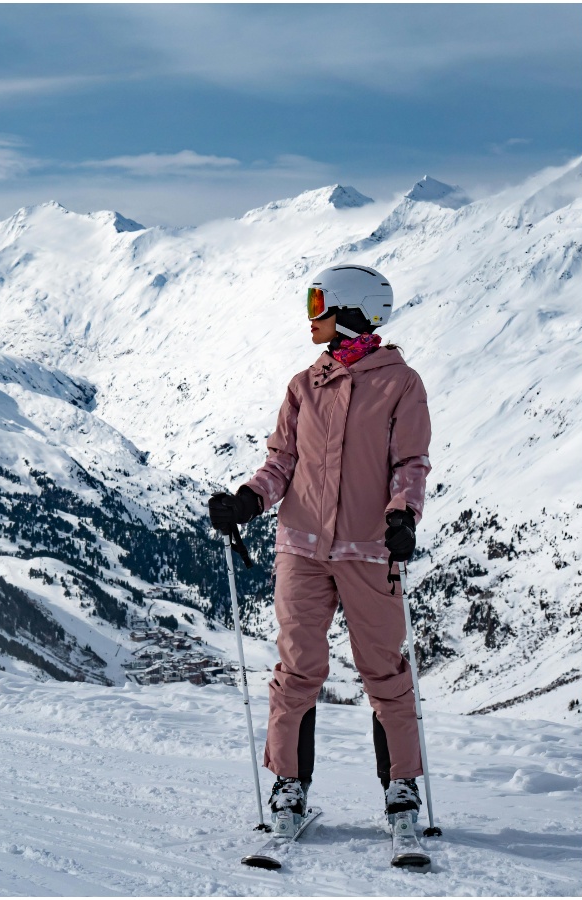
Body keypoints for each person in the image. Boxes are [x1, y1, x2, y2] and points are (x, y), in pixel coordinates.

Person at [208, 264, 431, 839]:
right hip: (301, 549)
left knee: (383, 671)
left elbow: (410, 462)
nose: (310, 316)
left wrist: (403, 514)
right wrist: (247, 502)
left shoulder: (400, 383)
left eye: (318, 303)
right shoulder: (303, 385)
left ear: (350, 309)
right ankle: (289, 786)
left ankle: (401, 788)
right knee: (297, 670)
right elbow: (281, 464)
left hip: (369, 550)